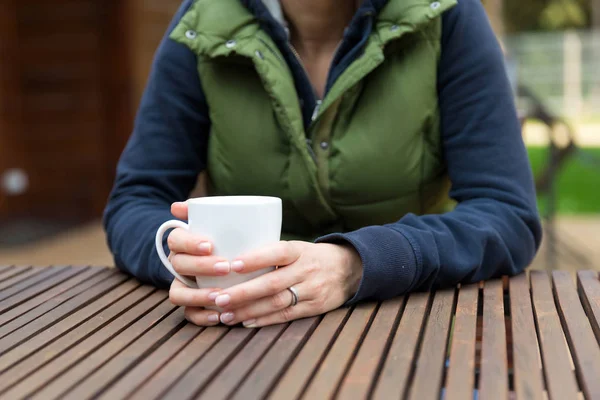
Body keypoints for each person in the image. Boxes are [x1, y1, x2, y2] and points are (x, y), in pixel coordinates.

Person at [104, 0, 542, 328]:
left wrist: (357, 264)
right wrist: (184, 261)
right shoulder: (204, 20)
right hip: (239, 329)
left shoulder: (444, 14)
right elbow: (135, 201)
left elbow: (506, 213)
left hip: (412, 317)